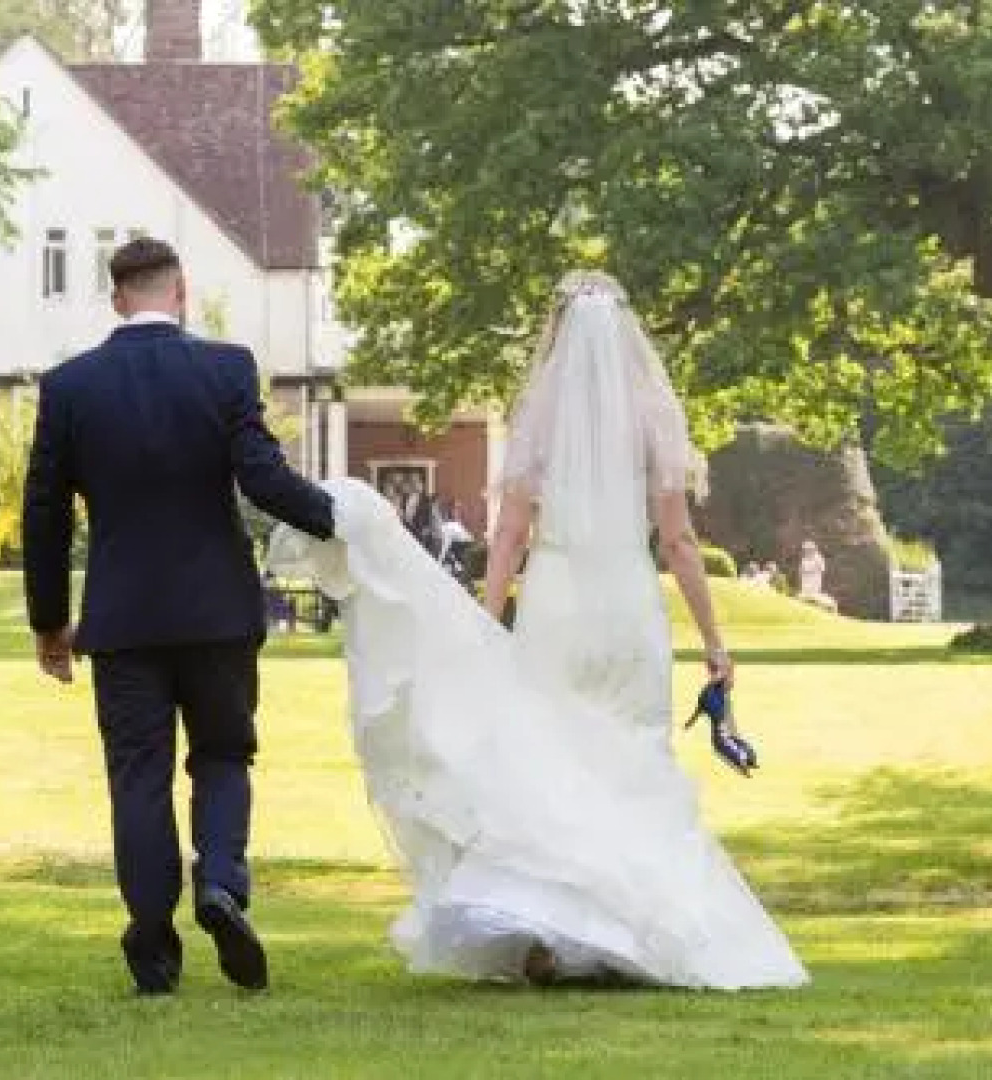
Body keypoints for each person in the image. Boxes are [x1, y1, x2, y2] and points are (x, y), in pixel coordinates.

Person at [270, 270, 807, 991]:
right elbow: (680, 543)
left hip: (557, 602)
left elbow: (510, 535)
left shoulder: (541, 418)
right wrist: (714, 642)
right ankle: (639, 931)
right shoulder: (653, 417)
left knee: (549, 763)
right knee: (634, 764)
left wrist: (488, 620)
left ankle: (556, 931)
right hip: (626, 602)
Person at [22, 236, 334, 996]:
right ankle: (220, 881)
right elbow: (261, 478)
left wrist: (49, 622)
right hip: (218, 610)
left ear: (117, 298)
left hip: (123, 619)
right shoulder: (226, 370)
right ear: (182, 291)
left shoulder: (71, 387)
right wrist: (340, 518)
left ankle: (154, 943)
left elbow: (44, 513)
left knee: (139, 775)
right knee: (223, 756)